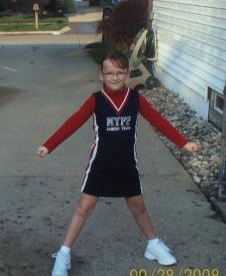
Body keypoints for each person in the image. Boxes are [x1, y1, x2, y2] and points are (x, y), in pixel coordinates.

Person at [37, 51, 199, 276]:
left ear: (127, 74)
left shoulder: (135, 99)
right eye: (109, 73)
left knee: (138, 207)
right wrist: (49, 145)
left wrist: (183, 143)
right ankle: (64, 253)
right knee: (84, 209)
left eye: (119, 73)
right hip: (100, 166)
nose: (114, 77)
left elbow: (157, 120)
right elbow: (72, 123)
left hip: (126, 165)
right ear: (101, 74)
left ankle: (153, 245)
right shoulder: (95, 100)